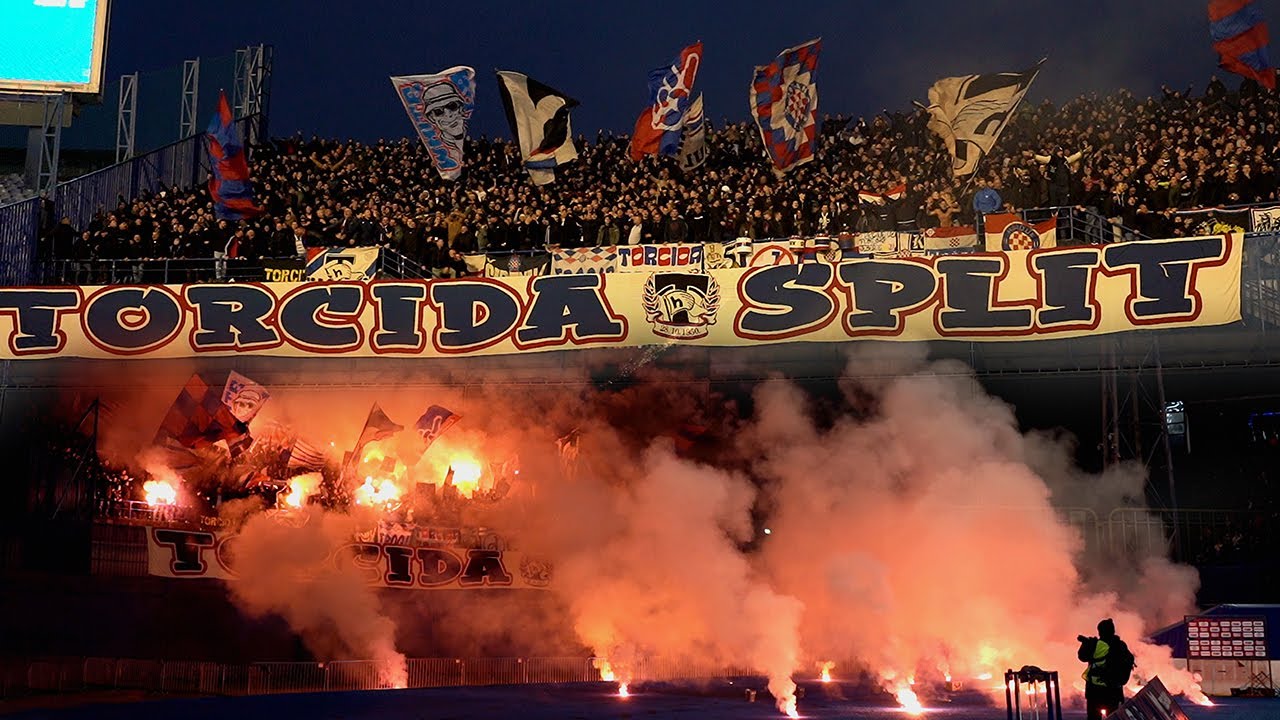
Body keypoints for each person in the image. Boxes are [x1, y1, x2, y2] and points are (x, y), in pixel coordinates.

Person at [1077, 618, 1133, 720]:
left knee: (1093, 718)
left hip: (1095, 692)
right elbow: (1128, 661)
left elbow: (1082, 657)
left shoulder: (1096, 645)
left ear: (1100, 631)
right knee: (1113, 717)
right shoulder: (1121, 645)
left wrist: (1086, 643)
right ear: (1113, 631)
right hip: (1114, 691)